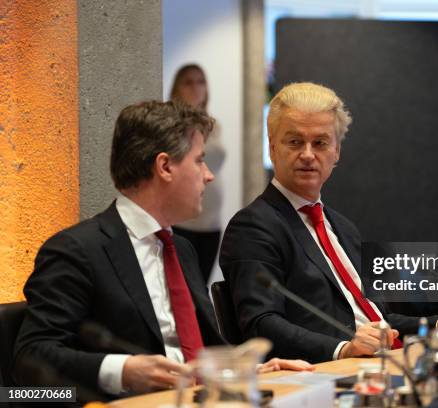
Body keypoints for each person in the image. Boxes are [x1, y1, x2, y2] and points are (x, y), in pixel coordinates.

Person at [14, 101, 312, 401]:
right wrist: (124, 370)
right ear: (165, 167)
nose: (208, 175)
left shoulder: (181, 249)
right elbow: (31, 357)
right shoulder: (77, 250)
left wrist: (243, 369)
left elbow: (198, 349)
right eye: (199, 161)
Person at [220, 83, 438, 364]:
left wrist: (436, 325)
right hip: (328, 375)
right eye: (295, 142)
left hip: (388, 364)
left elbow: (376, 316)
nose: (308, 154)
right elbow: (261, 323)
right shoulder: (253, 227)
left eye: (320, 143)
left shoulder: (342, 227)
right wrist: (343, 348)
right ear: (273, 148)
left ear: (336, 152)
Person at [170, 64, 226, 284]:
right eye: (189, 82)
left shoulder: (214, 125)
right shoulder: (172, 125)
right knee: (184, 288)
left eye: (201, 81)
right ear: (177, 87)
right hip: (183, 222)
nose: (196, 87)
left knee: (201, 290)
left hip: (211, 222)